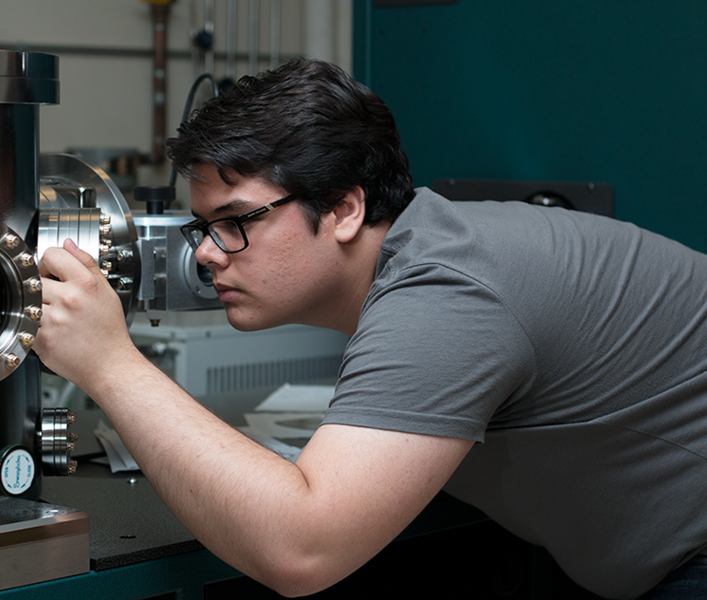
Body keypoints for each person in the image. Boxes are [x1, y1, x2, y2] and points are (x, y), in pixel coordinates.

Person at [34, 58, 707, 599]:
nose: (208, 254)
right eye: (202, 228)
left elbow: (302, 548)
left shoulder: (448, 293)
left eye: (237, 222)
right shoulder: (431, 256)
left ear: (346, 208)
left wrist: (110, 364)